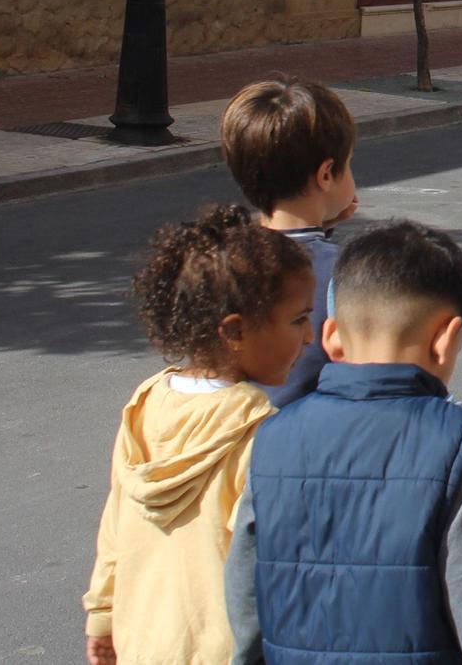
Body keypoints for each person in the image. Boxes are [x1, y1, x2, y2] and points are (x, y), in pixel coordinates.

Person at [230, 222, 462, 663]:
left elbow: (245, 591)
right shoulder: (456, 445)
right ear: (447, 339)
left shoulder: (272, 437)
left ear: (331, 339)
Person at [84, 206, 314, 665]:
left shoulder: (145, 406)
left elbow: (116, 525)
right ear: (234, 331)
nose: (310, 337)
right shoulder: (263, 435)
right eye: (298, 320)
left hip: (141, 641)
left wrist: (103, 616)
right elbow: (280, 569)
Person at [219, 78, 362, 408]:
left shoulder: (222, 254)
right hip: (303, 442)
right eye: (349, 162)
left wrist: (323, 230)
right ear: (327, 174)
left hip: (231, 430)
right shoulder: (343, 270)